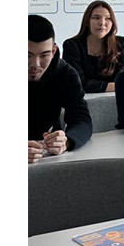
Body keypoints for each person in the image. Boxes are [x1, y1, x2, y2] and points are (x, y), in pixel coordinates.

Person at [27, 15, 92, 164]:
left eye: (44, 55)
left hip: (48, 159)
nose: (35, 64)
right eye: (27, 55)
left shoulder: (66, 74)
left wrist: (67, 141)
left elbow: (82, 120)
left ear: (53, 51)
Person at [61, 0, 124, 93]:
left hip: (116, 98)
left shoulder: (122, 44)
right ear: (87, 21)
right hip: (82, 99)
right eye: (96, 18)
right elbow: (76, 83)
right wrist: (113, 86)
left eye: (108, 18)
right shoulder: (72, 45)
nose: (102, 23)